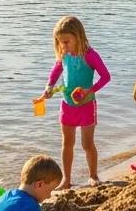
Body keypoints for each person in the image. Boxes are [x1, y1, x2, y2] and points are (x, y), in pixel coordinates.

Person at [41, 16, 111, 189]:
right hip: (67, 105)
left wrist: (90, 90)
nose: (63, 45)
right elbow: (57, 69)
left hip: (87, 106)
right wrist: (49, 86)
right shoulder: (64, 54)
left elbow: (106, 77)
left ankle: (93, 176)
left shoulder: (90, 55)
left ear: (78, 37)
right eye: (60, 42)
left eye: (66, 41)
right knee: (67, 143)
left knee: (87, 144)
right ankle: (66, 180)